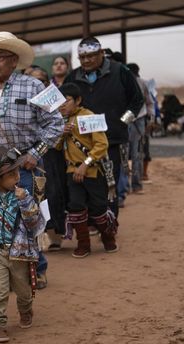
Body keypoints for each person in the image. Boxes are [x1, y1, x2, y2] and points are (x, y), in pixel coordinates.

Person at [0, 31, 64, 292]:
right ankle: (2, 277)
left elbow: (56, 124)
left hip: (24, 164)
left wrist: (36, 153)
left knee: (26, 218)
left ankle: (36, 271)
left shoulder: (34, 86)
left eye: (1, 57)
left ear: (14, 60)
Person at [64, 37, 144, 215]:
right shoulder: (73, 77)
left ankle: (109, 224)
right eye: (82, 57)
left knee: (110, 183)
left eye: (91, 56)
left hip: (111, 141)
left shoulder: (120, 72)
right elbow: (63, 105)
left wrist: (122, 121)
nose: (86, 61)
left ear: (101, 54)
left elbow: (137, 100)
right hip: (80, 144)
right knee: (84, 184)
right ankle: (93, 222)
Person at [0, 146, 46, 343]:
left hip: (19, 253)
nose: (17, 176)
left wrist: (25, 202)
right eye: (11, 174)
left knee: (23, 291)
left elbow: (35, 223)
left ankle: (26, 310)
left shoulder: (23, 196)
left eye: (17, 172)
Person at [56, 83, 118, 257]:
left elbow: (102, 144)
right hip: (71, 171)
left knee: (98, 208)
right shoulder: (62, 121)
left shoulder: (88, 116)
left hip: (91, 171)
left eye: (66, 101)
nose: (62, 105)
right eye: (60, 102)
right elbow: (56, 146)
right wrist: (62, 133)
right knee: (75, 206)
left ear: (78, 100)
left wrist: (85, 165)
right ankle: (83, 244)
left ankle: (108, 237)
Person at [27, 67, 68, 251]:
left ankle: (55, 234)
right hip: (27, 156)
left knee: (53, 192)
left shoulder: (55, 101)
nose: (36, 83)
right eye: (31, 79)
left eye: (41, 80)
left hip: (51, 154)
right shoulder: (19, 101)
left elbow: (59, 125)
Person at [125, 63, 155, 195]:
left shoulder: (141, 83)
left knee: (135, 154)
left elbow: (149, 102)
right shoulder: (123, 82)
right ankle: (127, 187)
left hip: (137, 120)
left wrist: (151, 117)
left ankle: (135, 185)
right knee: (127, 154)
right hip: (129, 120)